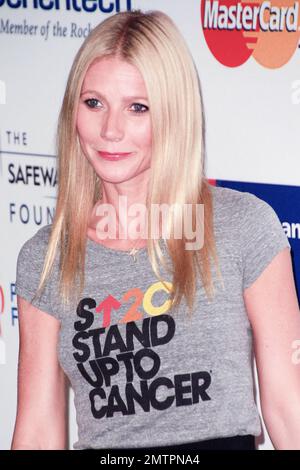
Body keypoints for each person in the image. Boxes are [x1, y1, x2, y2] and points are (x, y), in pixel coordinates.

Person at [11, 10, 300, 451]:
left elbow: (287, 407)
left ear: (173, 114)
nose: (110, 130)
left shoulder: (243, 227)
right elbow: (36, 430)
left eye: (138, 108)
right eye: (94, 103)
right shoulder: (46, 256)